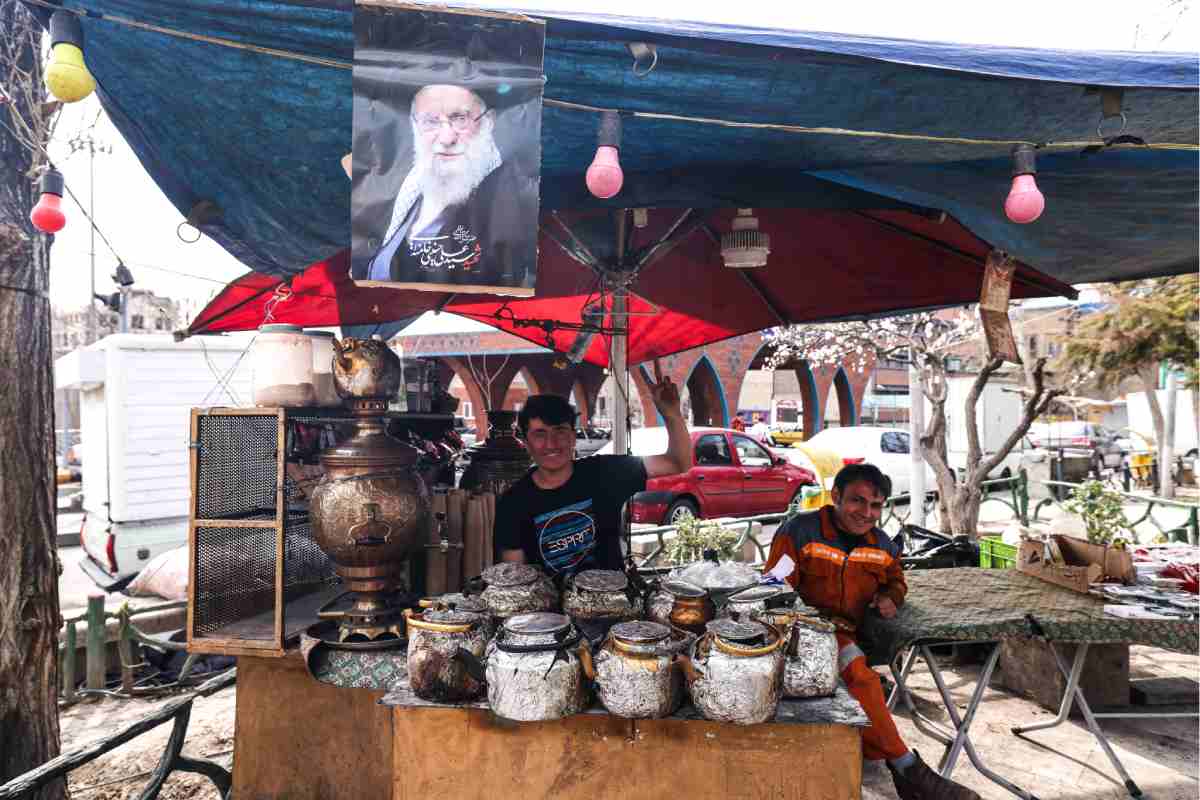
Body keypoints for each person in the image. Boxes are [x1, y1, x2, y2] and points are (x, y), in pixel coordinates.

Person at [763, 463, 981, 800]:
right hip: (798, 633)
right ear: (835, 496)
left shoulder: (881, 545)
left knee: (862, 678)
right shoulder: (800, 532)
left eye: (875, 505)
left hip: (847, 633)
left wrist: (891, 597)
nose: (866, 513)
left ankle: (899, 764)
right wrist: (808, 628)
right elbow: (774, 588)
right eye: (857, 501)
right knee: (860, 677)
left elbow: (897, 580)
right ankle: (908, 768)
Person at [495, 364, 690, 576]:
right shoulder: (513, 502)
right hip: (547, 609)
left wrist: (671, 414)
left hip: (614, 602)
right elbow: (514, 578)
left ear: (572, 435)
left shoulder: (605, 472)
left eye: (560, 431)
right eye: (539, 434)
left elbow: (678, 462)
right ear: (525, 441)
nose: (551, 443)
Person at [360, 83, 532, 286]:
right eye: (430, 121)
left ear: (489, 121)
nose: (446, 138)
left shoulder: (515, 195)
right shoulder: (400, 182)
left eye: (460, 119)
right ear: (414, 124)